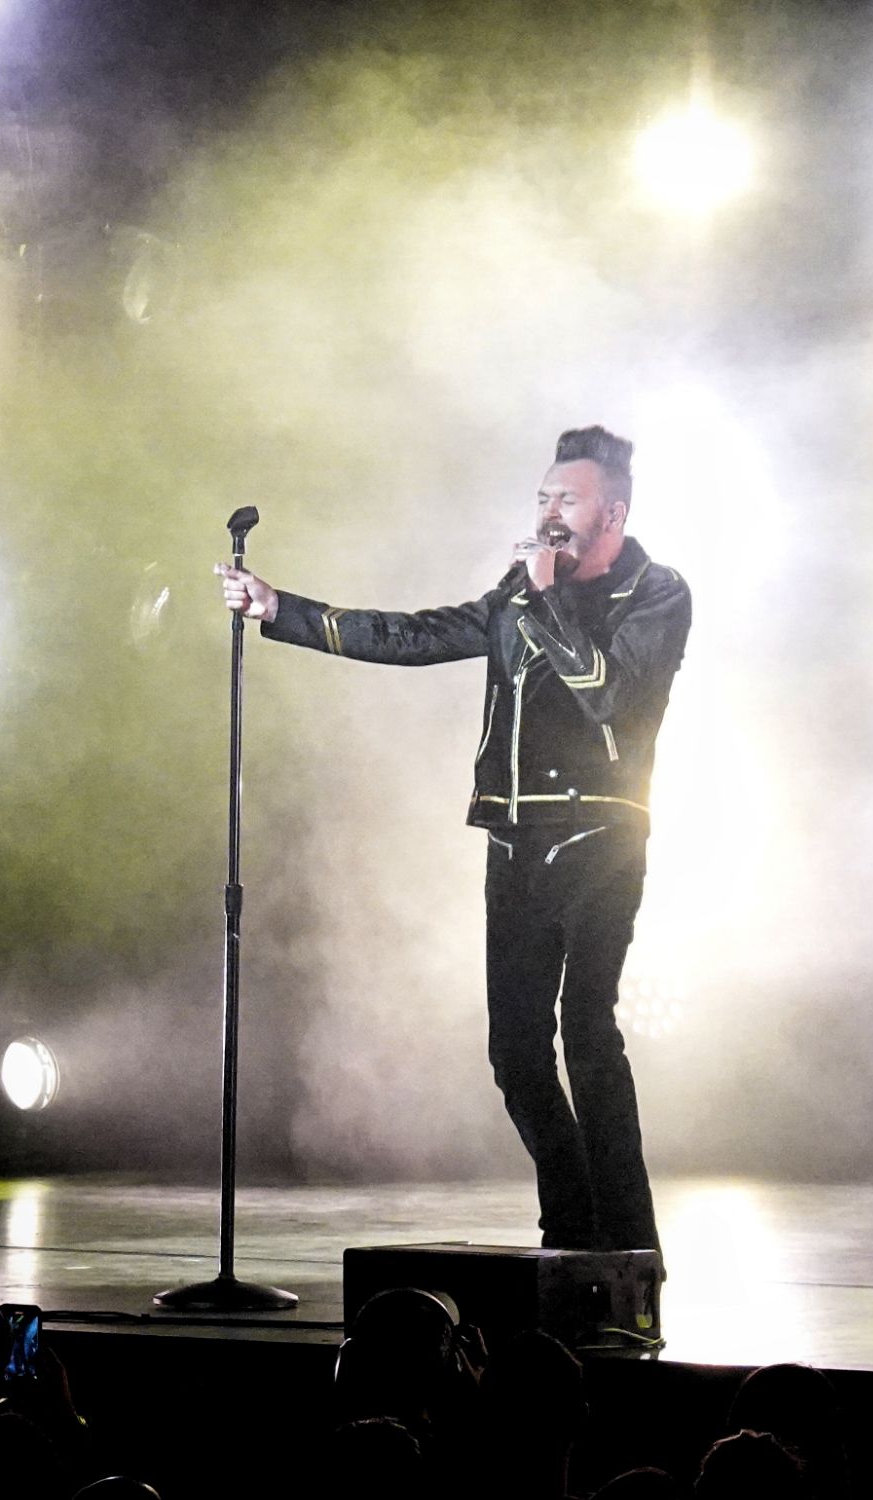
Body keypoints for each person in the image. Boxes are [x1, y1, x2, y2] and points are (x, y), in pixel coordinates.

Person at [218, 425, 690, 1255]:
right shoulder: (520, 593)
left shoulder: (656, 593)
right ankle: (574, 1230)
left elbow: (608, 695)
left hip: (600, 837)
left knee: (587, 1035)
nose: (548, 512)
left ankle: (629, 1248)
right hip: (513, 841)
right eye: (542, 497)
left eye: (567, 499)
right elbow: (418, 635)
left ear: (612, 514)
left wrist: (541, 600)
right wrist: (282, 609)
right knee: (516, 1053)